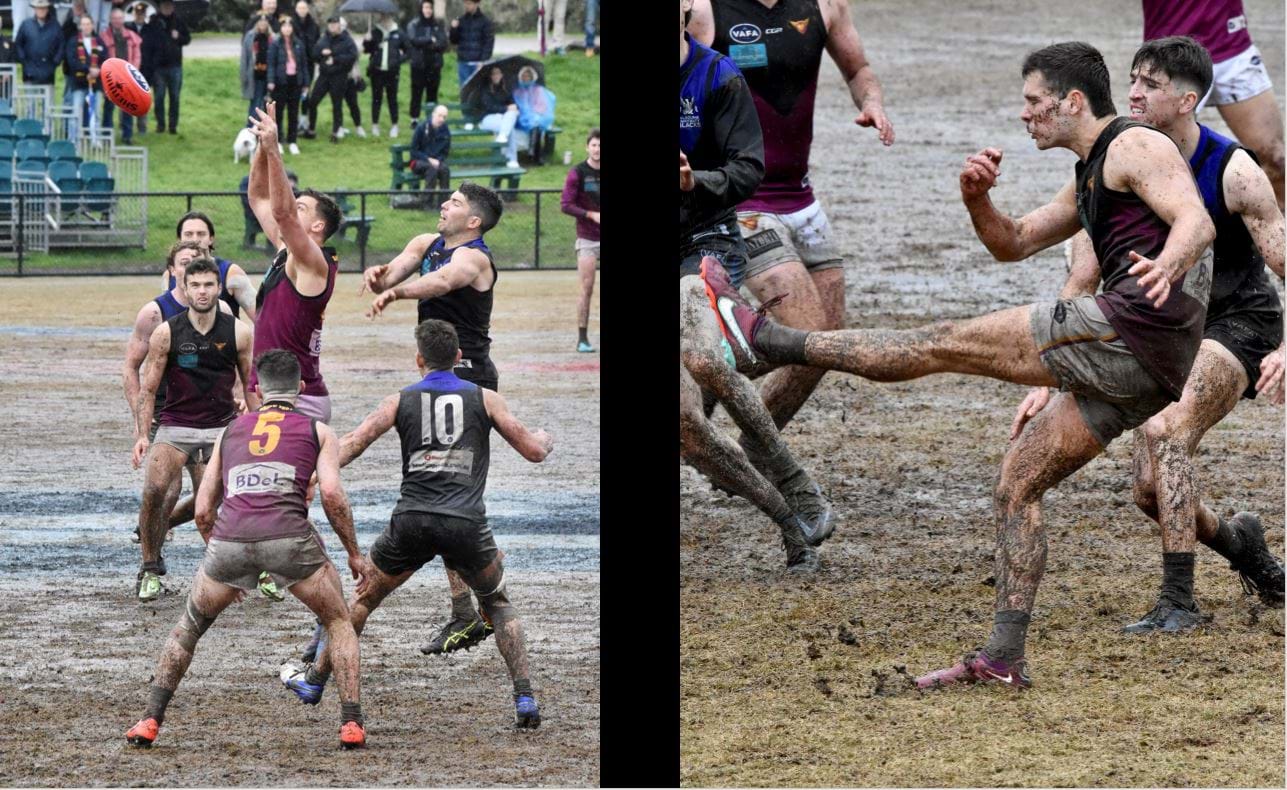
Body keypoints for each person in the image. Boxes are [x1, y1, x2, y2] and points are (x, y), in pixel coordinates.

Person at [709, 42, 1218, 685]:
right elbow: (1016, 242)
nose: (1024, 115)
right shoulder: (1091, 167)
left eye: (1034, 102)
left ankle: (763, 338)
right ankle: (1003, 660)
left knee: (940, 342)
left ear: (1073, 102)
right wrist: (978, 200)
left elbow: (1197, 222)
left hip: (1129, 332)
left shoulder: (1133, 146)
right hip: (1146, 366)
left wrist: (1165, 268)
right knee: (1017, 483)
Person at [1009, 36, 1284, 631]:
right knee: (1148, 493)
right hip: (1162, 334)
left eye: (1151, 84)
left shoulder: (1232, 170)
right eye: (1132, 79)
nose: (1133, 92)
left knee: (1167, 431)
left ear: (1188, 101)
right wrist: (1049, 372)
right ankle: (1246, 549)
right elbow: (1079, 284)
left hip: (1238, 326)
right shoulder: (1111, 165)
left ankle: (1179, 603)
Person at [279, 319, 547, 729]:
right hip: (466, 525)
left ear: (419, 359)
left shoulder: (398, 400)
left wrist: (313, 477)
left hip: (411, 522)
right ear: (459, 358)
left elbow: (354, 442)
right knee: (497, 602)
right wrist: (545, 439)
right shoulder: (486, 398)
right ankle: (524, 696)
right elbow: (532, 451)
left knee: (362, 601)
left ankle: (315, 680)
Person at [125, 349, 371, 750]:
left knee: (188, 628)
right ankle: (351, 724)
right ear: (301, 389)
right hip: (291, 541)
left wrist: (223, 561)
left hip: (230, 541)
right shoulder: (319, 431)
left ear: (255, 388)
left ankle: (149, 719)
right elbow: (332, 495)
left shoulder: (230, 431)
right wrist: (354, 553)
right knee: (339, 621)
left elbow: (204, 510)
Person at [689, 0, 895, 478]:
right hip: (741, 200)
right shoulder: (705, 9)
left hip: (802, 198)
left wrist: (872, 103)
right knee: (808, 335)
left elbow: (858, 68)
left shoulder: (825, 7)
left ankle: (748, 449)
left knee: (823, 347)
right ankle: (705, 401)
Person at [678, 0, 829, 573]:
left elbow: (748, 169)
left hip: (707, 239)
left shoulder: (717, 75)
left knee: (707, 359)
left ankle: (796, 481)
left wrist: (696, 180)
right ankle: (789, 523)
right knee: (690, 431)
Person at [356, 183, 513, 652]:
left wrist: (399, 293)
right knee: (441, 494)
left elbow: (442, 283)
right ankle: (469, 611)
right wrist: (379, 278)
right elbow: (391, 277)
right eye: (448, 200)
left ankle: (479, 604)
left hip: (469, 379)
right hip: (437, 380)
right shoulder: (426, 243)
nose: (445, 205)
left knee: (449, 497)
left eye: (456, 203)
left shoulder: (476, 260)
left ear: (474, 222)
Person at [130, 256, 253, 602]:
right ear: (183, 288)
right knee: (155, 489)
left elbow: (250, 386)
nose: (202, 291)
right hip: (175, 426)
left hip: (219, 429)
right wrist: (142, 435)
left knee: (216, 503)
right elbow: (149, 389)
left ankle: (244, 570)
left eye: (209, 285)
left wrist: (257, 429)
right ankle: (150, 568)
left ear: (219, 288)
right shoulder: (166, 332)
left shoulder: (239, 333)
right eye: (195, 285)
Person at [125, 242, 234, 549]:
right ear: (173, 271)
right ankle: (151, 563)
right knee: (166, 491)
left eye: (199, 263)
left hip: (208, 413)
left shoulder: (223, 311)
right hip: (166, 412)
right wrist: (141, 424)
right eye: (185, 264)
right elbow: (131, 369)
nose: (192, 269)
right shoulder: (153, 313)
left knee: (208, 496)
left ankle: (155, 526)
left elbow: (236, 365)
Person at [246, 100, 343, 424]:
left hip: (299, 398)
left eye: (303, 207)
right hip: (271, 388)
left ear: (317, 227)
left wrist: (275, 150)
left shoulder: (313, 263)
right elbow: (258, 197)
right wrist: (262, 147)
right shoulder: (285, 250)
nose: (292, 207)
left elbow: (282, 212)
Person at [1142, 0, 1285, 210]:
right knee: (1155, 167)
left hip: (1231, 46)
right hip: (1171, 53)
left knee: (1276, 159)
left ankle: (1272, 237)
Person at [166, 211, 259, 321]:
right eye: (188, 234)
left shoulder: (231, 273)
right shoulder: (171, 274)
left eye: (201, 234)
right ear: (179, 239)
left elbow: (261, 317)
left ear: (211, 239)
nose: (195, 239)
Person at [560, 127, 599, 352]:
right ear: (587, 147)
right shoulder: (578, 173)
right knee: (587, 287)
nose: (597, 149)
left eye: (600, 146)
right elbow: (566, 205)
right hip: (588, 239)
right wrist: (589, 214)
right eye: (594, 145)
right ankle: (582, 339)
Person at [304, 15, 356, 143]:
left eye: (335, 24)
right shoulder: (324, 38)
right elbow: (314, 55)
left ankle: (335, 132)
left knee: (336, 105)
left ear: (339, 25)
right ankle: (311, 130)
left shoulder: (347, 40)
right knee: (312, 102)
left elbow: (352, 56)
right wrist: (322, 53)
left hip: (339, 76)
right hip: (323, 76)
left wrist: (335, 57)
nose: (332, 26)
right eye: (330, 24)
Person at [99, 7, 142, 143]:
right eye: (115, 19)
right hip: (111, 77)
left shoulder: (131, 36)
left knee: (127, 107)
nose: (117, 21)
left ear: (123, 19)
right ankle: (107, 135)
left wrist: (132, 71)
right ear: (111, 20)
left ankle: (127, 135)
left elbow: (137, 56)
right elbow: (101, 57)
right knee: (109, 107)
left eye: (120, 18)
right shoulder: (103, 37)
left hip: (127, 77)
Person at [146, 0, 189, 134]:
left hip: (175, 66)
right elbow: (148, 43)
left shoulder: (179, 21)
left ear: (173, 7)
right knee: (159, 97)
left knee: (174, 97)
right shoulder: (154, 22)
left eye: (169, 5)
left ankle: (173, 126)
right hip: (158, 68)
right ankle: (160, 124)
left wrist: (178, 37)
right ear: (160, 7)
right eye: (165, 5)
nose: (167, 8)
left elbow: (187, 39)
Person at [268, 13, 308, 155]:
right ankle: (278, 141)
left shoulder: (298, 43)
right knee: (278, 114)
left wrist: (305, 83)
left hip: (295, 82)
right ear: (280, 28)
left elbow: (303, 64)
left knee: (293, 113)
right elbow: (271, 64)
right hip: (280, 82)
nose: (287, 28)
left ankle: (292, 141)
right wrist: (271, 81)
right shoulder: (275, 44)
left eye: (289, 26)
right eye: (284, 26)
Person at [404, 0, 447, 126]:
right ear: (421, 9)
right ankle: (414, 119)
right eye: (425, 7)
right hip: (419, 65)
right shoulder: (414, 24)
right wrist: (429, 40)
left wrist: (430, 45)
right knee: (416, 92)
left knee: (432, 93)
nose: (428, 10)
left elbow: (443, 42)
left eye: (430, 8)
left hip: (434, 64)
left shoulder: (438, 24)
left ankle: (431, 118)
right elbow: (413, 40)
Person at [470, 65, 520, 169]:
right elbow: (489, 107)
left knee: (511, 116)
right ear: (490, 75)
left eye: (498, 73)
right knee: (509, 126)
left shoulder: (505, 88)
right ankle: (512, 159)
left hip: (504, 119)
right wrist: (507, 108)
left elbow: (512, 104)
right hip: (486, 119)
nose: (496, 76)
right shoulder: (484, 89)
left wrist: (513, 107)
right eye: (494, 73)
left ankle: (503, 136)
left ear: (502, 75)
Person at [363, 12, 403, 138]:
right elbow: (367, 50)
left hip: (392, 72)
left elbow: (408, 50)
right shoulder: (375, 32)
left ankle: (395, 125)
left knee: (392, 99)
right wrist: (367, 41)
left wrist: (398, 60)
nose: (385, 20)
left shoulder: (398, 33)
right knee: (376, 99)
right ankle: (375, 125)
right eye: (383, 18)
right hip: (377, 71)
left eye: (387, 18)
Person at [63, 14, 104, 134]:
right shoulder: (73, 41)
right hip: (78, 83)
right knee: (76, 112)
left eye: (88, 24)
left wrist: (98, 70)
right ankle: (73, 139)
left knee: (96, 112)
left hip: (96, 84)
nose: (86, 27)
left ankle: (96, 140)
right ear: (80, 26)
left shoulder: (99, 41)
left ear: (92, 26)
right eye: (84, 24)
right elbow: (72, 61)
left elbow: (105, 59)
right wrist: (88, 70)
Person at [512, 64, 555, 163]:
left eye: (528, 76)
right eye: (524, 76)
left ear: (532, 77)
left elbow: (542, 105)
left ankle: (533, 152)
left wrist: (534, 114)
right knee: (534, 123)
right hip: (522, 118)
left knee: (536, 123)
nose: (526, 78)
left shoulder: (538, 89)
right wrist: (527, 114)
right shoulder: (517, 90)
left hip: (537, 116)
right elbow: (518, 105)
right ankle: (537, 156)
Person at [408, 102, 451, 200]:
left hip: (437, 161)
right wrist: (428, 159)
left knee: (445, 170)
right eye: (439, 116)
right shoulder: (421, 128)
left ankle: (444, 202)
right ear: (433, 114)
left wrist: (439, 160)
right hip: (418, 161)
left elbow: (445, 152)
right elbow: (413, 151)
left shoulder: (445, 131)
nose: (441, 119)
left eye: (444, 117)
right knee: (432, 169)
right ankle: (427, 202)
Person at [15, 0, 63, 86]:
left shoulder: (55, 26)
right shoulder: (26, 24)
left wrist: (56, 62)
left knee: (48, 99)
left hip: (48, 73)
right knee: (30, 98)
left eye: (43, 8)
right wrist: (23, 60)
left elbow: (61, 45)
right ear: (35, 9)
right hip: (29, 72)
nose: (41, 10)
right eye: (39, 8)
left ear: (48, 9)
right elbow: (18, 44)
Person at [449, 0, 492, 87]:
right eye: (465, 3)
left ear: (476, 3)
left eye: (469, 3)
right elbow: (454, 41)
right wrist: (453, 29)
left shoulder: (485, 22)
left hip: (478, 63)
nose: (466, 6)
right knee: (465, 90)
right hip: (463, 62)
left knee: (478, 91)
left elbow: (488, 43)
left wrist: (483, 61)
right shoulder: (461, 20)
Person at [240, 13, 273, 127]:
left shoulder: (273, 38)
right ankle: (250, 127)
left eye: (265, 22)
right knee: (256, 102)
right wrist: (243, 76)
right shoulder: (250, 36)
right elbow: (245, 57)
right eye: (260, 22)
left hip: (269, 76)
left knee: (268, 103)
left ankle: (265, 127)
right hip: (255, 75)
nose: (263, 24)